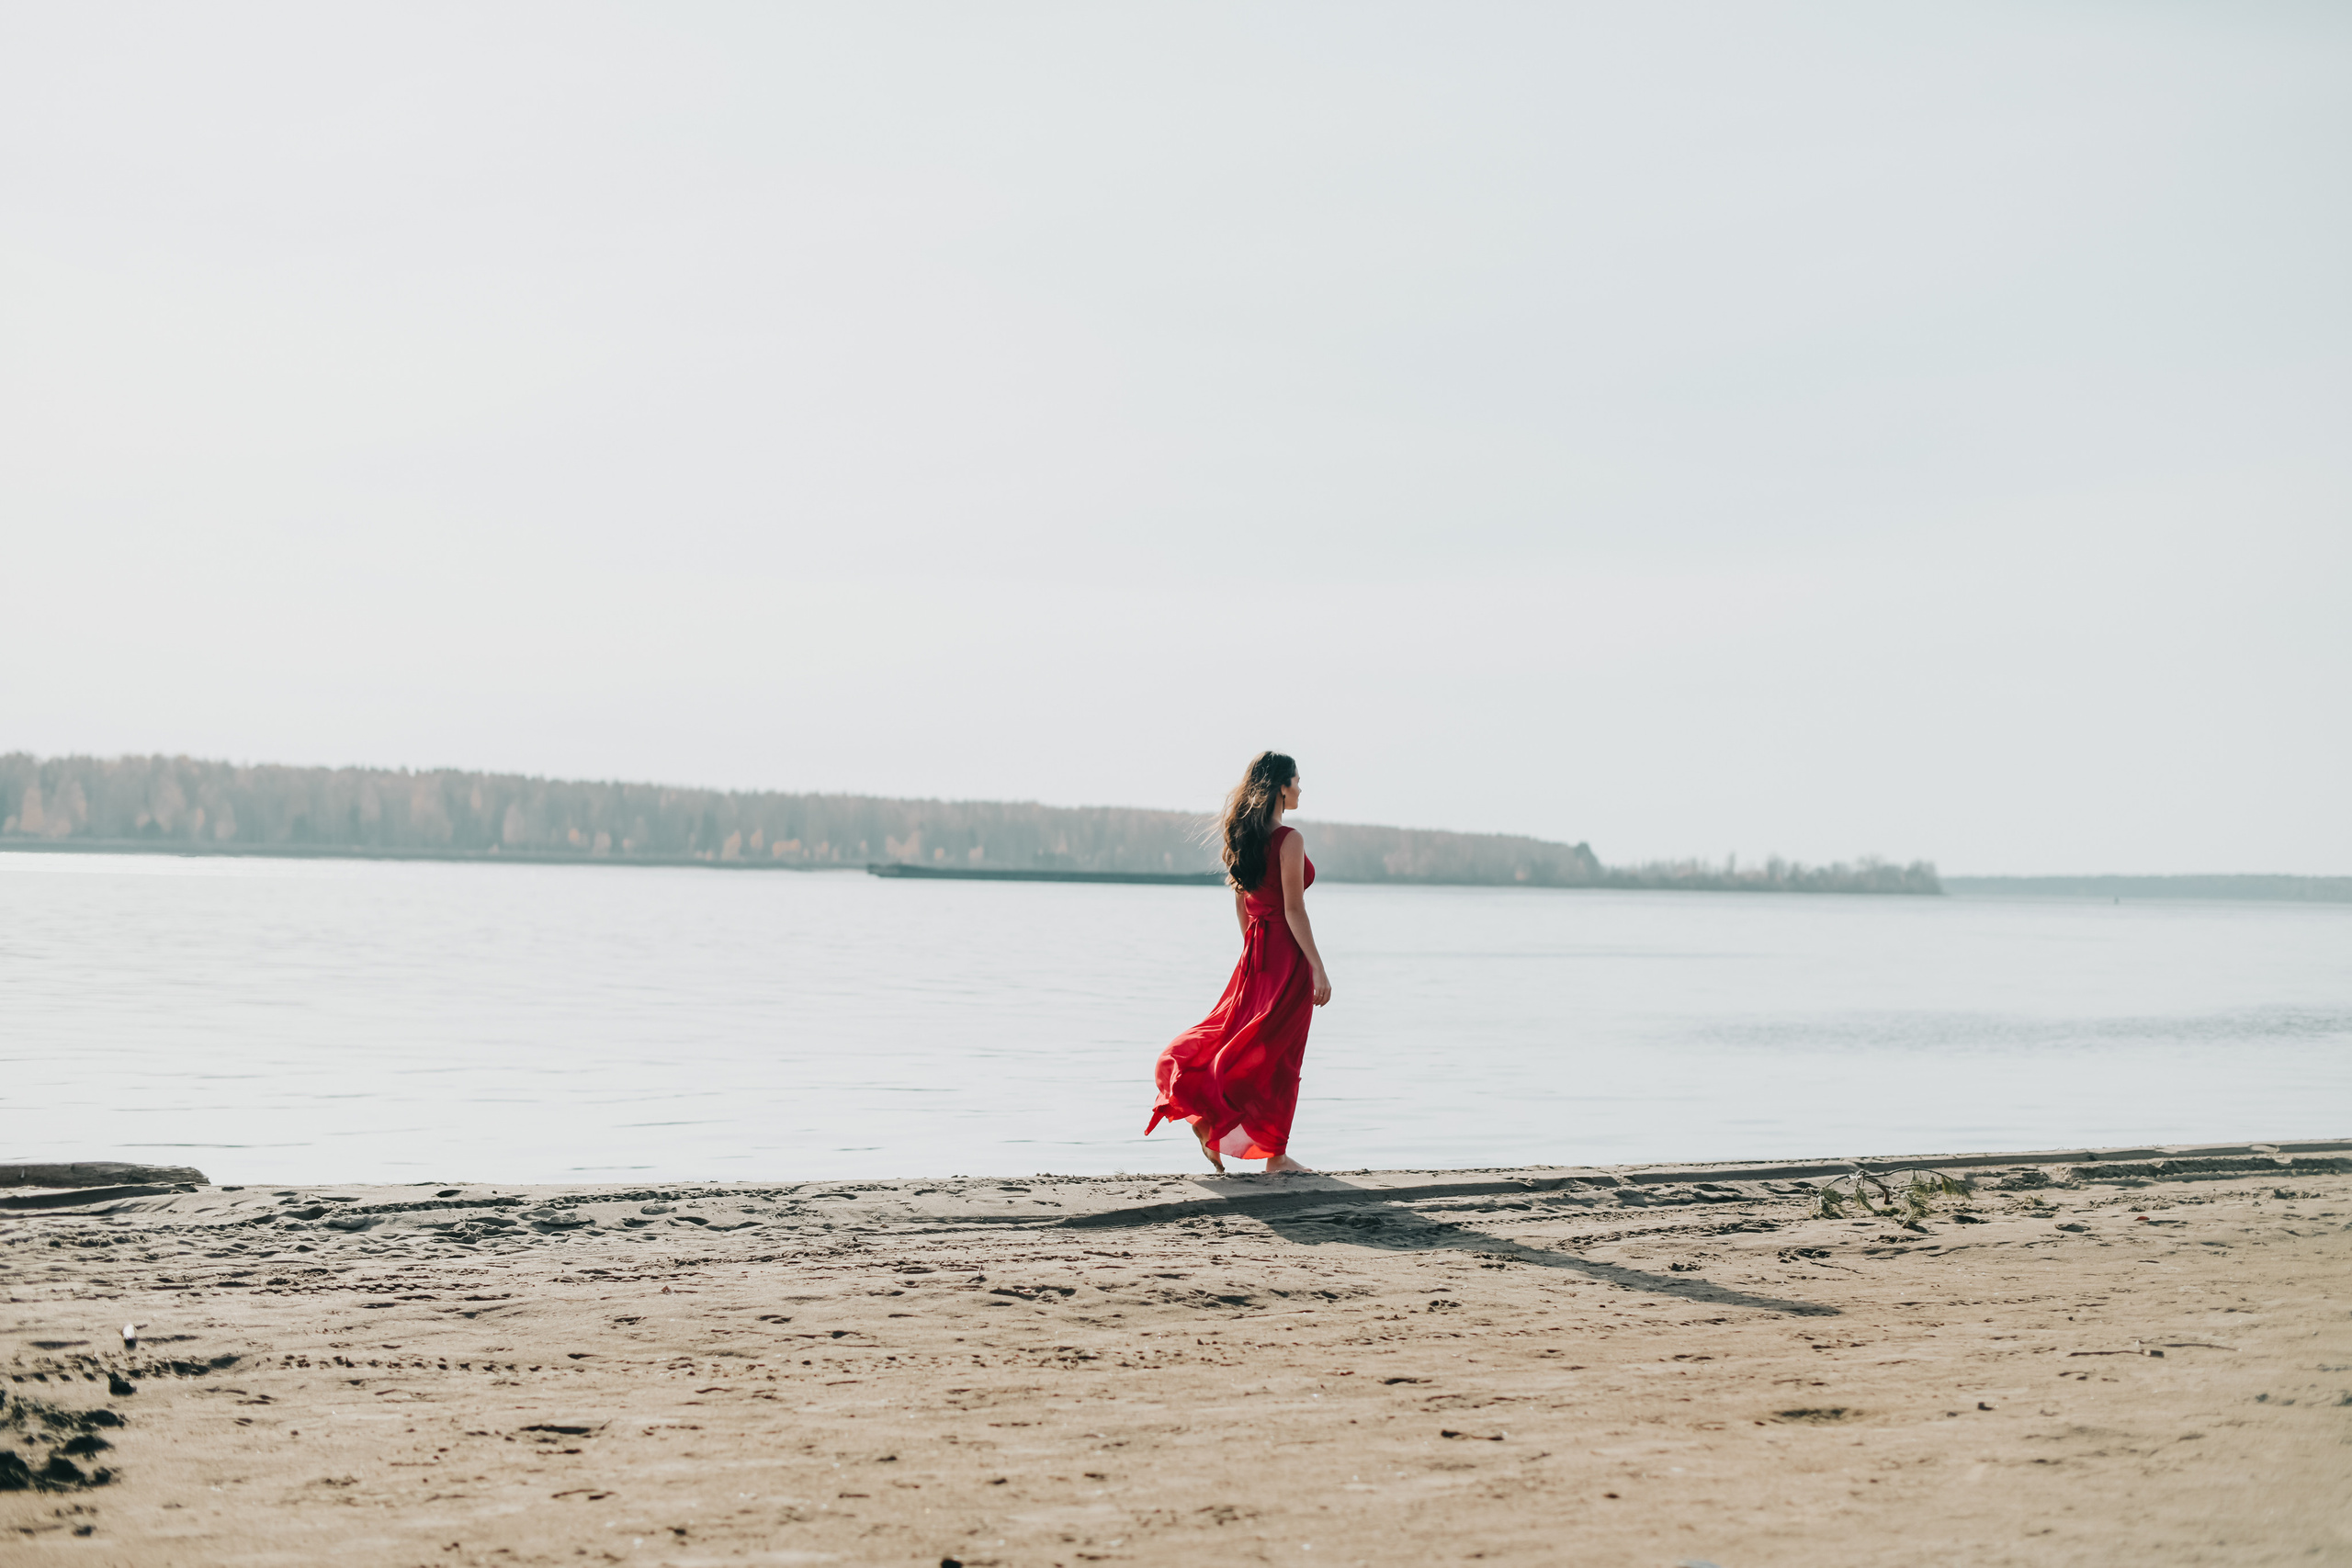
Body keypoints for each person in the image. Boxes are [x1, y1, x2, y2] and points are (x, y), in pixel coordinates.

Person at [1146, 750, 1333, 1174]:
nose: (1301, 789)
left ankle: (1214, 1120)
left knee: (1236, 1037)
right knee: (1280, 1057)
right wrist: (1317, 967)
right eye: (1298, 781)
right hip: (1286, 958)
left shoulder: (1242, 836)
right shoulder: (1289, 839)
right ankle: (1274, 1157)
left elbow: (1242, 903)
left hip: (1255, 954)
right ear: (1282, 787)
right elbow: (1294, 910)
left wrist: (1251, 952)